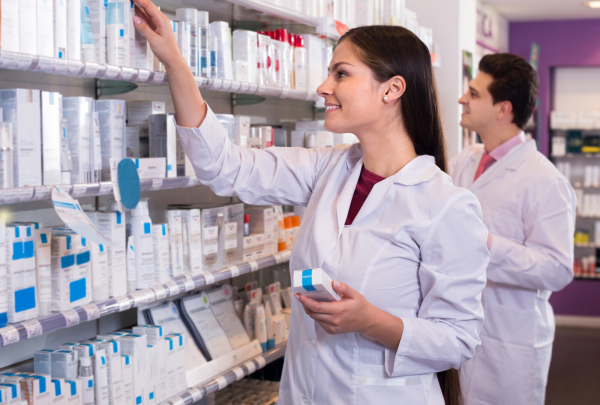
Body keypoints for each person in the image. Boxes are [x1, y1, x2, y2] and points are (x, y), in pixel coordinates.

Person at [133, 2, 489, 403]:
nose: (324, 86)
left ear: (392, 89)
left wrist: (372, 321)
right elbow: (222, 166)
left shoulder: (445, 205)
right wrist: (174, 61)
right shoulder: (328, 169)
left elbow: (458, 339)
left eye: (341, 73)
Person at [451, 53, 576, 405]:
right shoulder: (465, 161)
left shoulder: (544, 180)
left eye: (473, 94)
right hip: (458, 327)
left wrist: (483, 245)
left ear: (503, 109)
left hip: (509, 338)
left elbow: (557, 269)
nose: (462, 98)